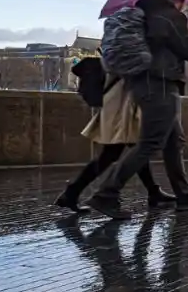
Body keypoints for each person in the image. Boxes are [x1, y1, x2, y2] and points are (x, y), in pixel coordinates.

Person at [87, 0, 188, 220]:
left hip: (141, 83)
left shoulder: (143, 14)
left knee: (174, 141)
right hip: (162, 83)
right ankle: (106, 193)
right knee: (150, 142)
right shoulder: (170, 16)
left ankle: (184, 196)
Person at [54, 61, 178, 213]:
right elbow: (133, 63)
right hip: (123, 99)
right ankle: (75, 192)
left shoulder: (115, 39)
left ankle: (153, 192)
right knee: (116, 152)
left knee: (134, 148)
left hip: (122, 97)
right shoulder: (126, 39)